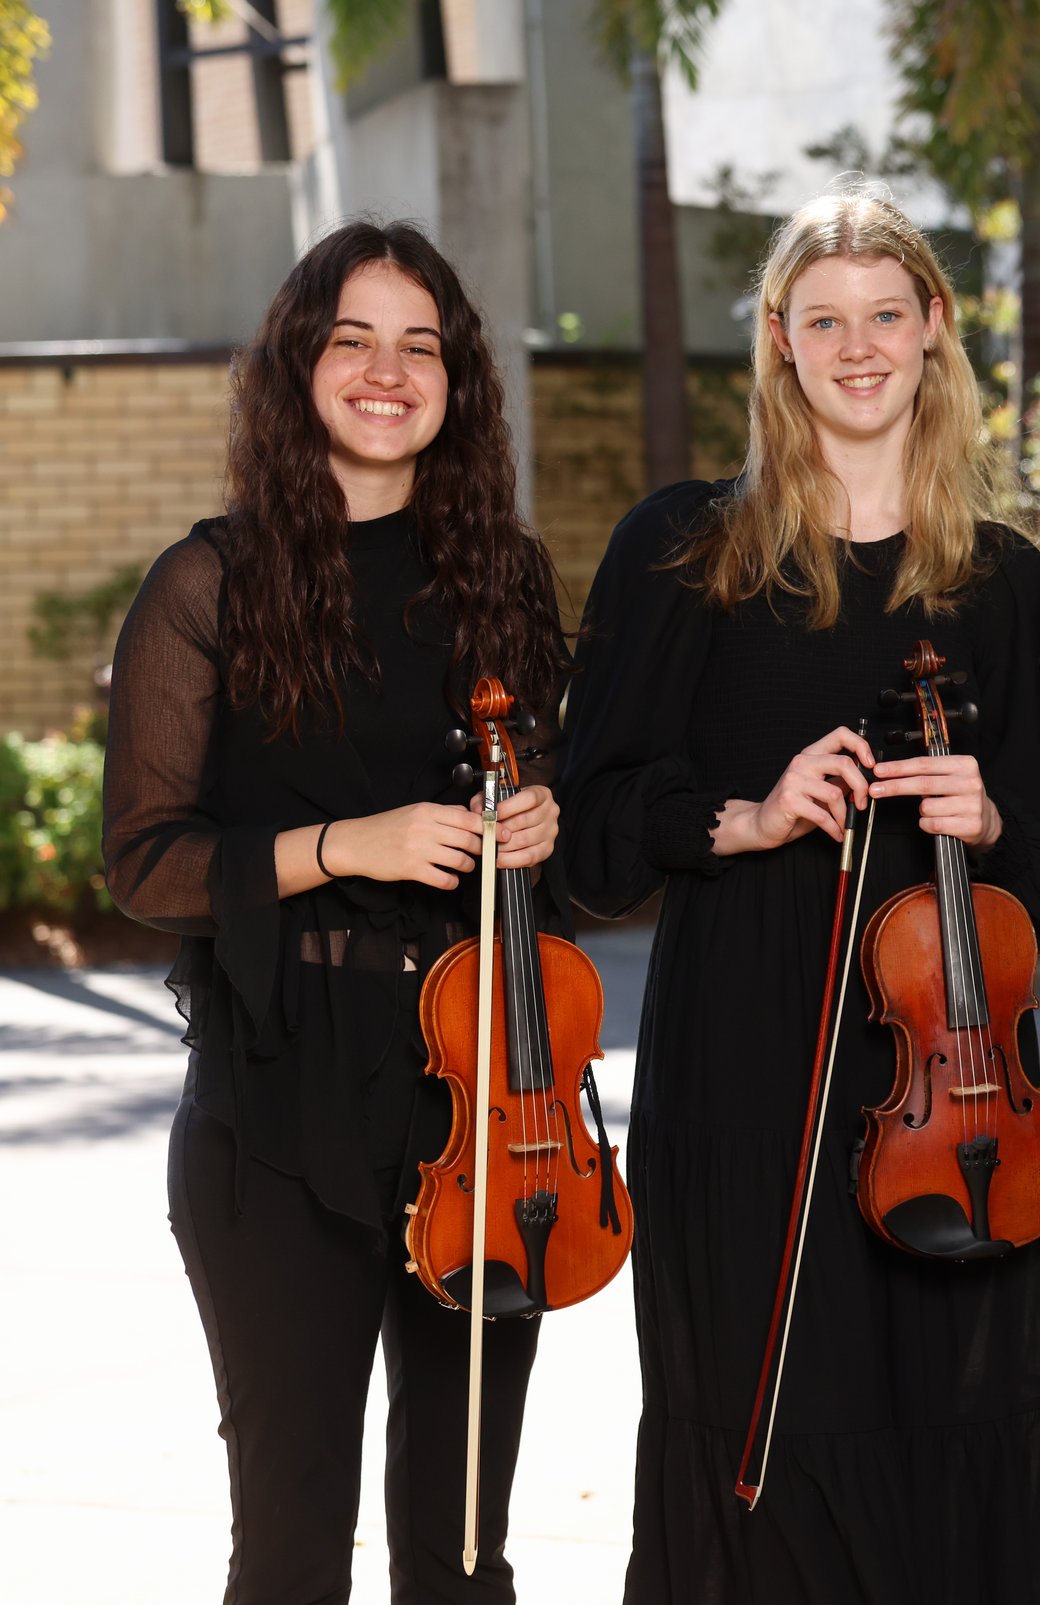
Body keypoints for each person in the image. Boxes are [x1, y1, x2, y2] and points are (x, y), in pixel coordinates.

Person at [559, 186, 1040, 1604]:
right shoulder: (689, 553)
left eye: (886, 316)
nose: (858, 347)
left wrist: (993, 815)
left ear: (934, 332)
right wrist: (745, 813)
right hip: (748, 1057)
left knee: (954, 1419)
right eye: (824, 320)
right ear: (780, 343)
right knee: (754, 1424)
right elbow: (589, 834)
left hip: (957, 1088)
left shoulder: (1007, 580)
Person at [103, 221, 571, 1600]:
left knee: (463, 1546)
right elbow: (145, 860)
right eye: (352, 337)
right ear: (299, 364)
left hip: (479, 1107)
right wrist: (343, 843)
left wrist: (534, 820)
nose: (387, 369)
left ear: (456, 381)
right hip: (275, 1112)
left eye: (419, 343)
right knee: (296, 1548)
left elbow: (535, 792)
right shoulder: (210, 584)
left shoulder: (503, 578)